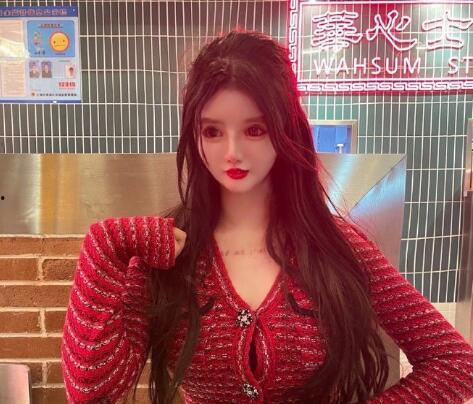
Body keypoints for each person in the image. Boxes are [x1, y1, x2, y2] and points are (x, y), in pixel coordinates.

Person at [61, 30, 473, 403]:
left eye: (255, 130)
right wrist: (104, 250)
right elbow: (91, 390)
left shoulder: (335, 246)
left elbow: (456, 364)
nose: (233, 152)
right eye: (212, 131)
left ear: (285, 130)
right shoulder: (165, 253)